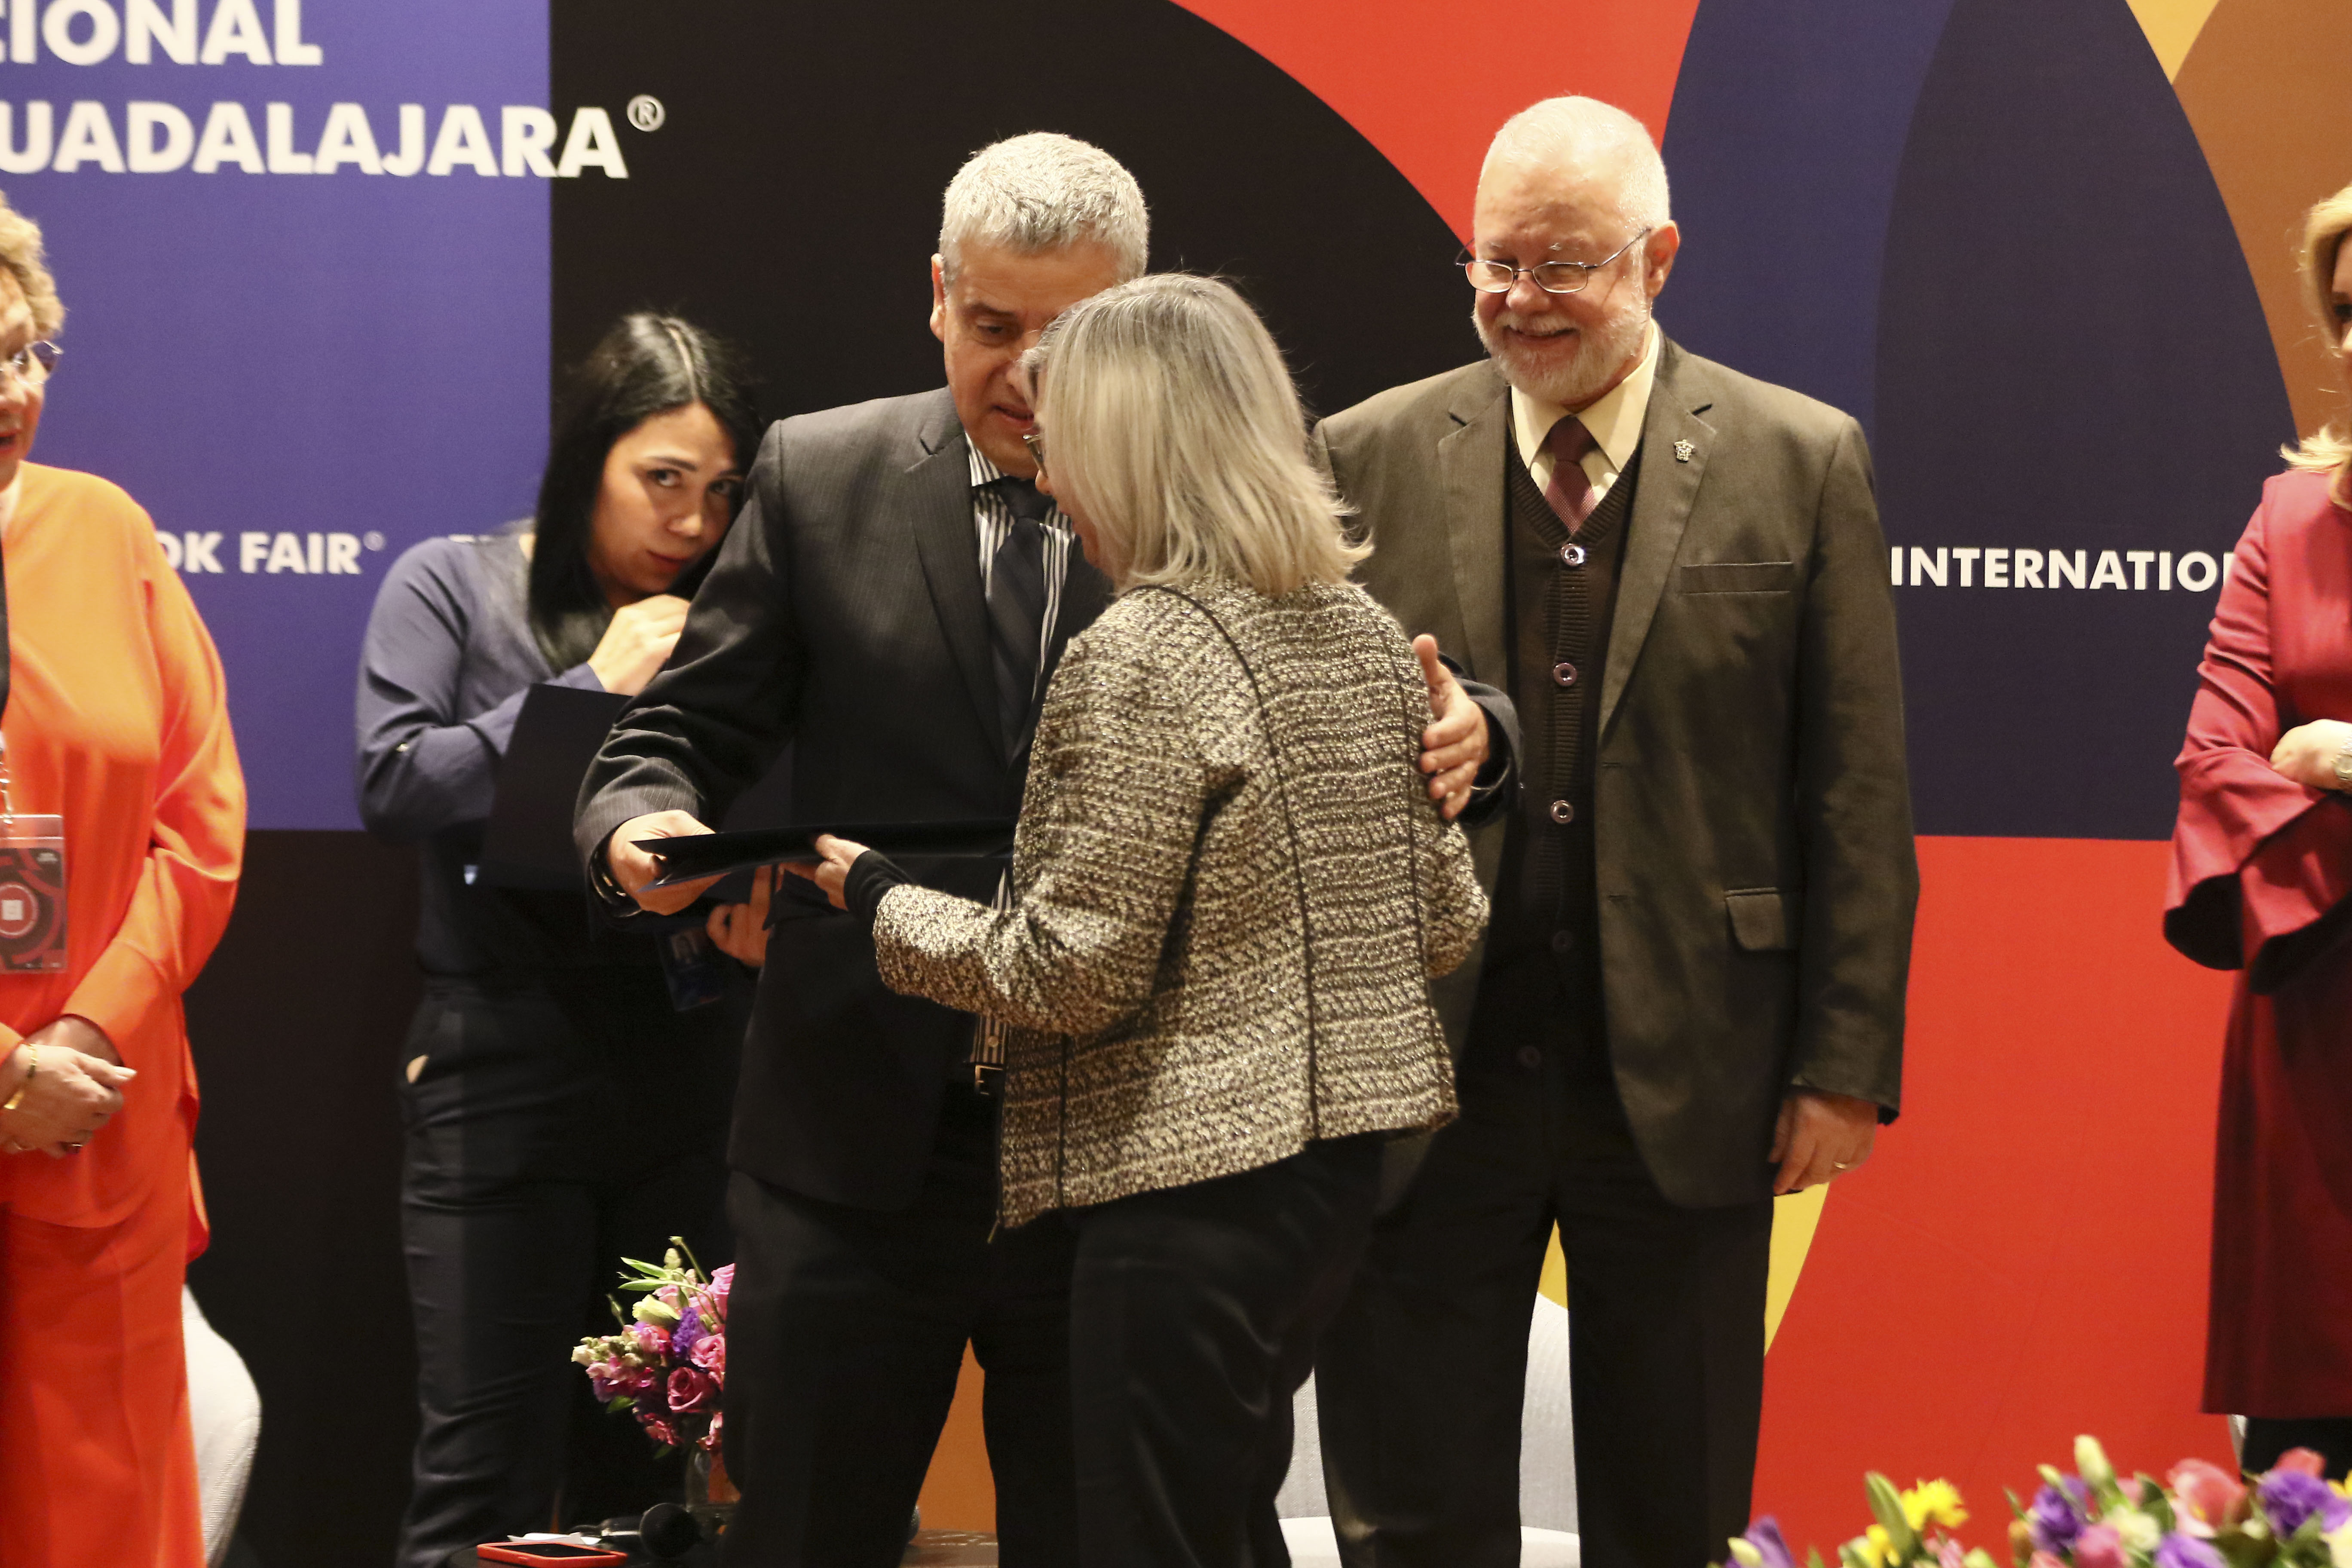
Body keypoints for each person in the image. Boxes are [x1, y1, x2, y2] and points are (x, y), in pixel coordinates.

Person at [576, 136, 1503, 1568]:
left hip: (1134, 1155)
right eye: (993, 325)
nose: (1027, 378)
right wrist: (636, 821)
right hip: (858, 1139)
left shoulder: (1242, 499)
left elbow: (1398, 677)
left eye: (1066, 338)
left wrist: (1477, 733)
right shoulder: (821, 474)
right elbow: (681, 731)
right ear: (936, 296)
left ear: (1138, 323)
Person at [796, 273, 1490, 1568]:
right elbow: (1444, 923)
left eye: (1063, 444)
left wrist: (877, 897)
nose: (1050, 481)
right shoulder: (1359, 629)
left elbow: (1070, 971)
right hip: (1332, 1195)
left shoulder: (1140, 653)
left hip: (1181, 1204)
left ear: (1129, 449)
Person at [1308, 97, 1919, 1568]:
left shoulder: (1800, 457)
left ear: (1659, 257)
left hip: (1698, 1074)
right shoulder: (1364, 453)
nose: (1522, 299)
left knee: (1673, 1505)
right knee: (1411, 1514)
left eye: (1564, 265)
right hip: (1426, 1077)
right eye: (1497, 261)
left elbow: (1855, 790)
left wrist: (1842, 1065)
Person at [357, 312, 763, 1568]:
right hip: (502, 1065)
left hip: (685, 1067)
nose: (691, 521)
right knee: (481, 1474)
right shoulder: (455, 582)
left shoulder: (734, 618)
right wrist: (587, 687)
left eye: (719, 492)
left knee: (657, 1476)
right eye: (663, 479)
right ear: (591, 457)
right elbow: (394, 781)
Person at [0, 190, 245, 1567]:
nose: (11, 392)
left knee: (102, 1512)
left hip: (95, 1127)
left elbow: (199, 824)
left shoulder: (106, 530)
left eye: (25, 352)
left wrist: (86, 1037)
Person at [2165, 180, 2352, 1481]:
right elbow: (2217, 764)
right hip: (2320, 1025)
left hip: (2319, 913)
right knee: (2309, 1472)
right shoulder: (2288, 523)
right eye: (2348, 310)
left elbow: (2280, 758)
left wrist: (2336, 754)